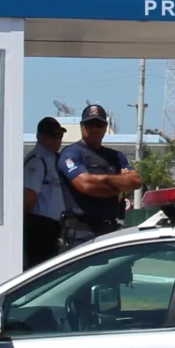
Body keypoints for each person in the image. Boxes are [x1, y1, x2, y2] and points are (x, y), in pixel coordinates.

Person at [57, 104, 139, 249]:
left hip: (111, 230)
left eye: (98, 124)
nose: (94, 128)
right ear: (82, 126)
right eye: (89, 124)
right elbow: (86, 185)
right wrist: (118, 185)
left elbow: (135, 181)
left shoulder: (116, 156)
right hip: (81, 232)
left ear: (105, 127)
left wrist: (102, 180)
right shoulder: (71, 153)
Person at [22, 115, 68, 266]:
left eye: (59, 135)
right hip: (40, 227)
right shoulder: (37, 160)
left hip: (55, 227)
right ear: (39, 136)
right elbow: (28, 198)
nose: (57, 140)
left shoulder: (56, 159)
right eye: (51, 136)